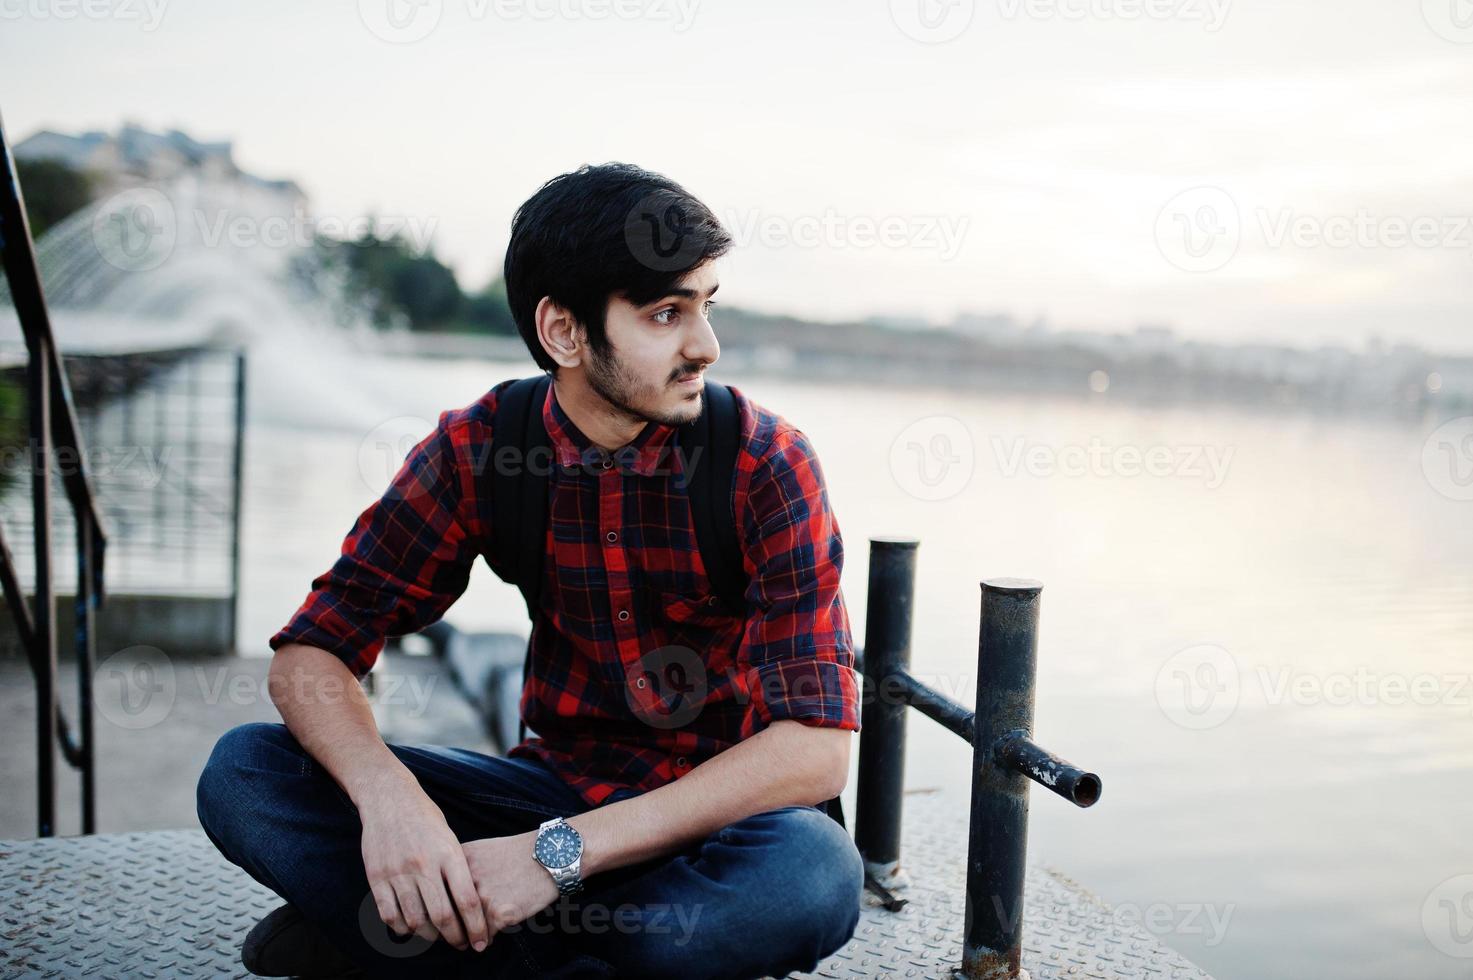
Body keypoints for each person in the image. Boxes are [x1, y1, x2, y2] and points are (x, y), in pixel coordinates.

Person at [196, 162, 864, 979]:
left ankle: (422, 938)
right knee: (247, 772)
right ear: (563, 332)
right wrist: (392, 804)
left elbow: (814, 754)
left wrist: (552, 859)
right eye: (665, 313)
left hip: (715, 827)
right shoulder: (480, 448)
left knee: (812, 876)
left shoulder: (763, 461)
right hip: (547, 791)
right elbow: (313, 654)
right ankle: (531, 942)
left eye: (704, 306)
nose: (705, 347)